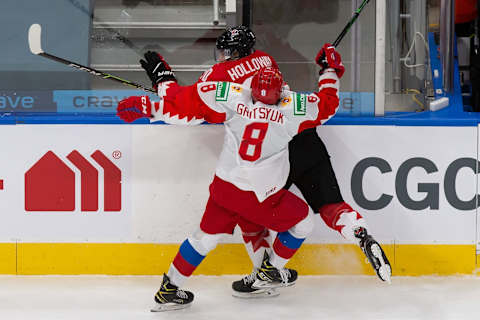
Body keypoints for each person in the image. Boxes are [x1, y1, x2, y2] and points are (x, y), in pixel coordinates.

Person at [135, 25, 392, 299]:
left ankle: (191, 283)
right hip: (302, 136)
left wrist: (163, 81)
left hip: (263, 159)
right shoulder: (268, 62)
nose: (220, 57)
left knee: (237, 218)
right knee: (329, 205)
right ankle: (354, 231)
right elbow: (326, 105)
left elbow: (186, 108)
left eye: (223, 52)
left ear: (232, 52)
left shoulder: (225, 86)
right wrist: (329, 70)